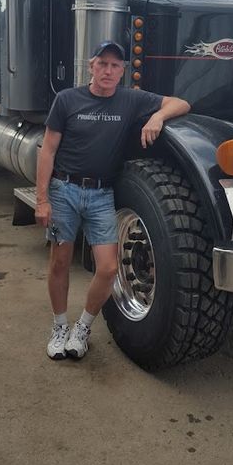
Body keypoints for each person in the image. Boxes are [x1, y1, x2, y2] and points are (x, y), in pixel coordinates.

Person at [35, 40, 191, 361]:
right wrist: (42, 200)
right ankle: (60, 326)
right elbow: (47, 150)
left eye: (115, 65)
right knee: (60, 262)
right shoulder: (67, 100)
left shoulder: (131, 100)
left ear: (122, 71)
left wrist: (157, 117)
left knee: (107, 268)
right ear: (91, 66)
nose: (108, 70)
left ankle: (83, 327)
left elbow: (181, 103)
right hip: (65, 191)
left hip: (102, 194)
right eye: (102, 64)